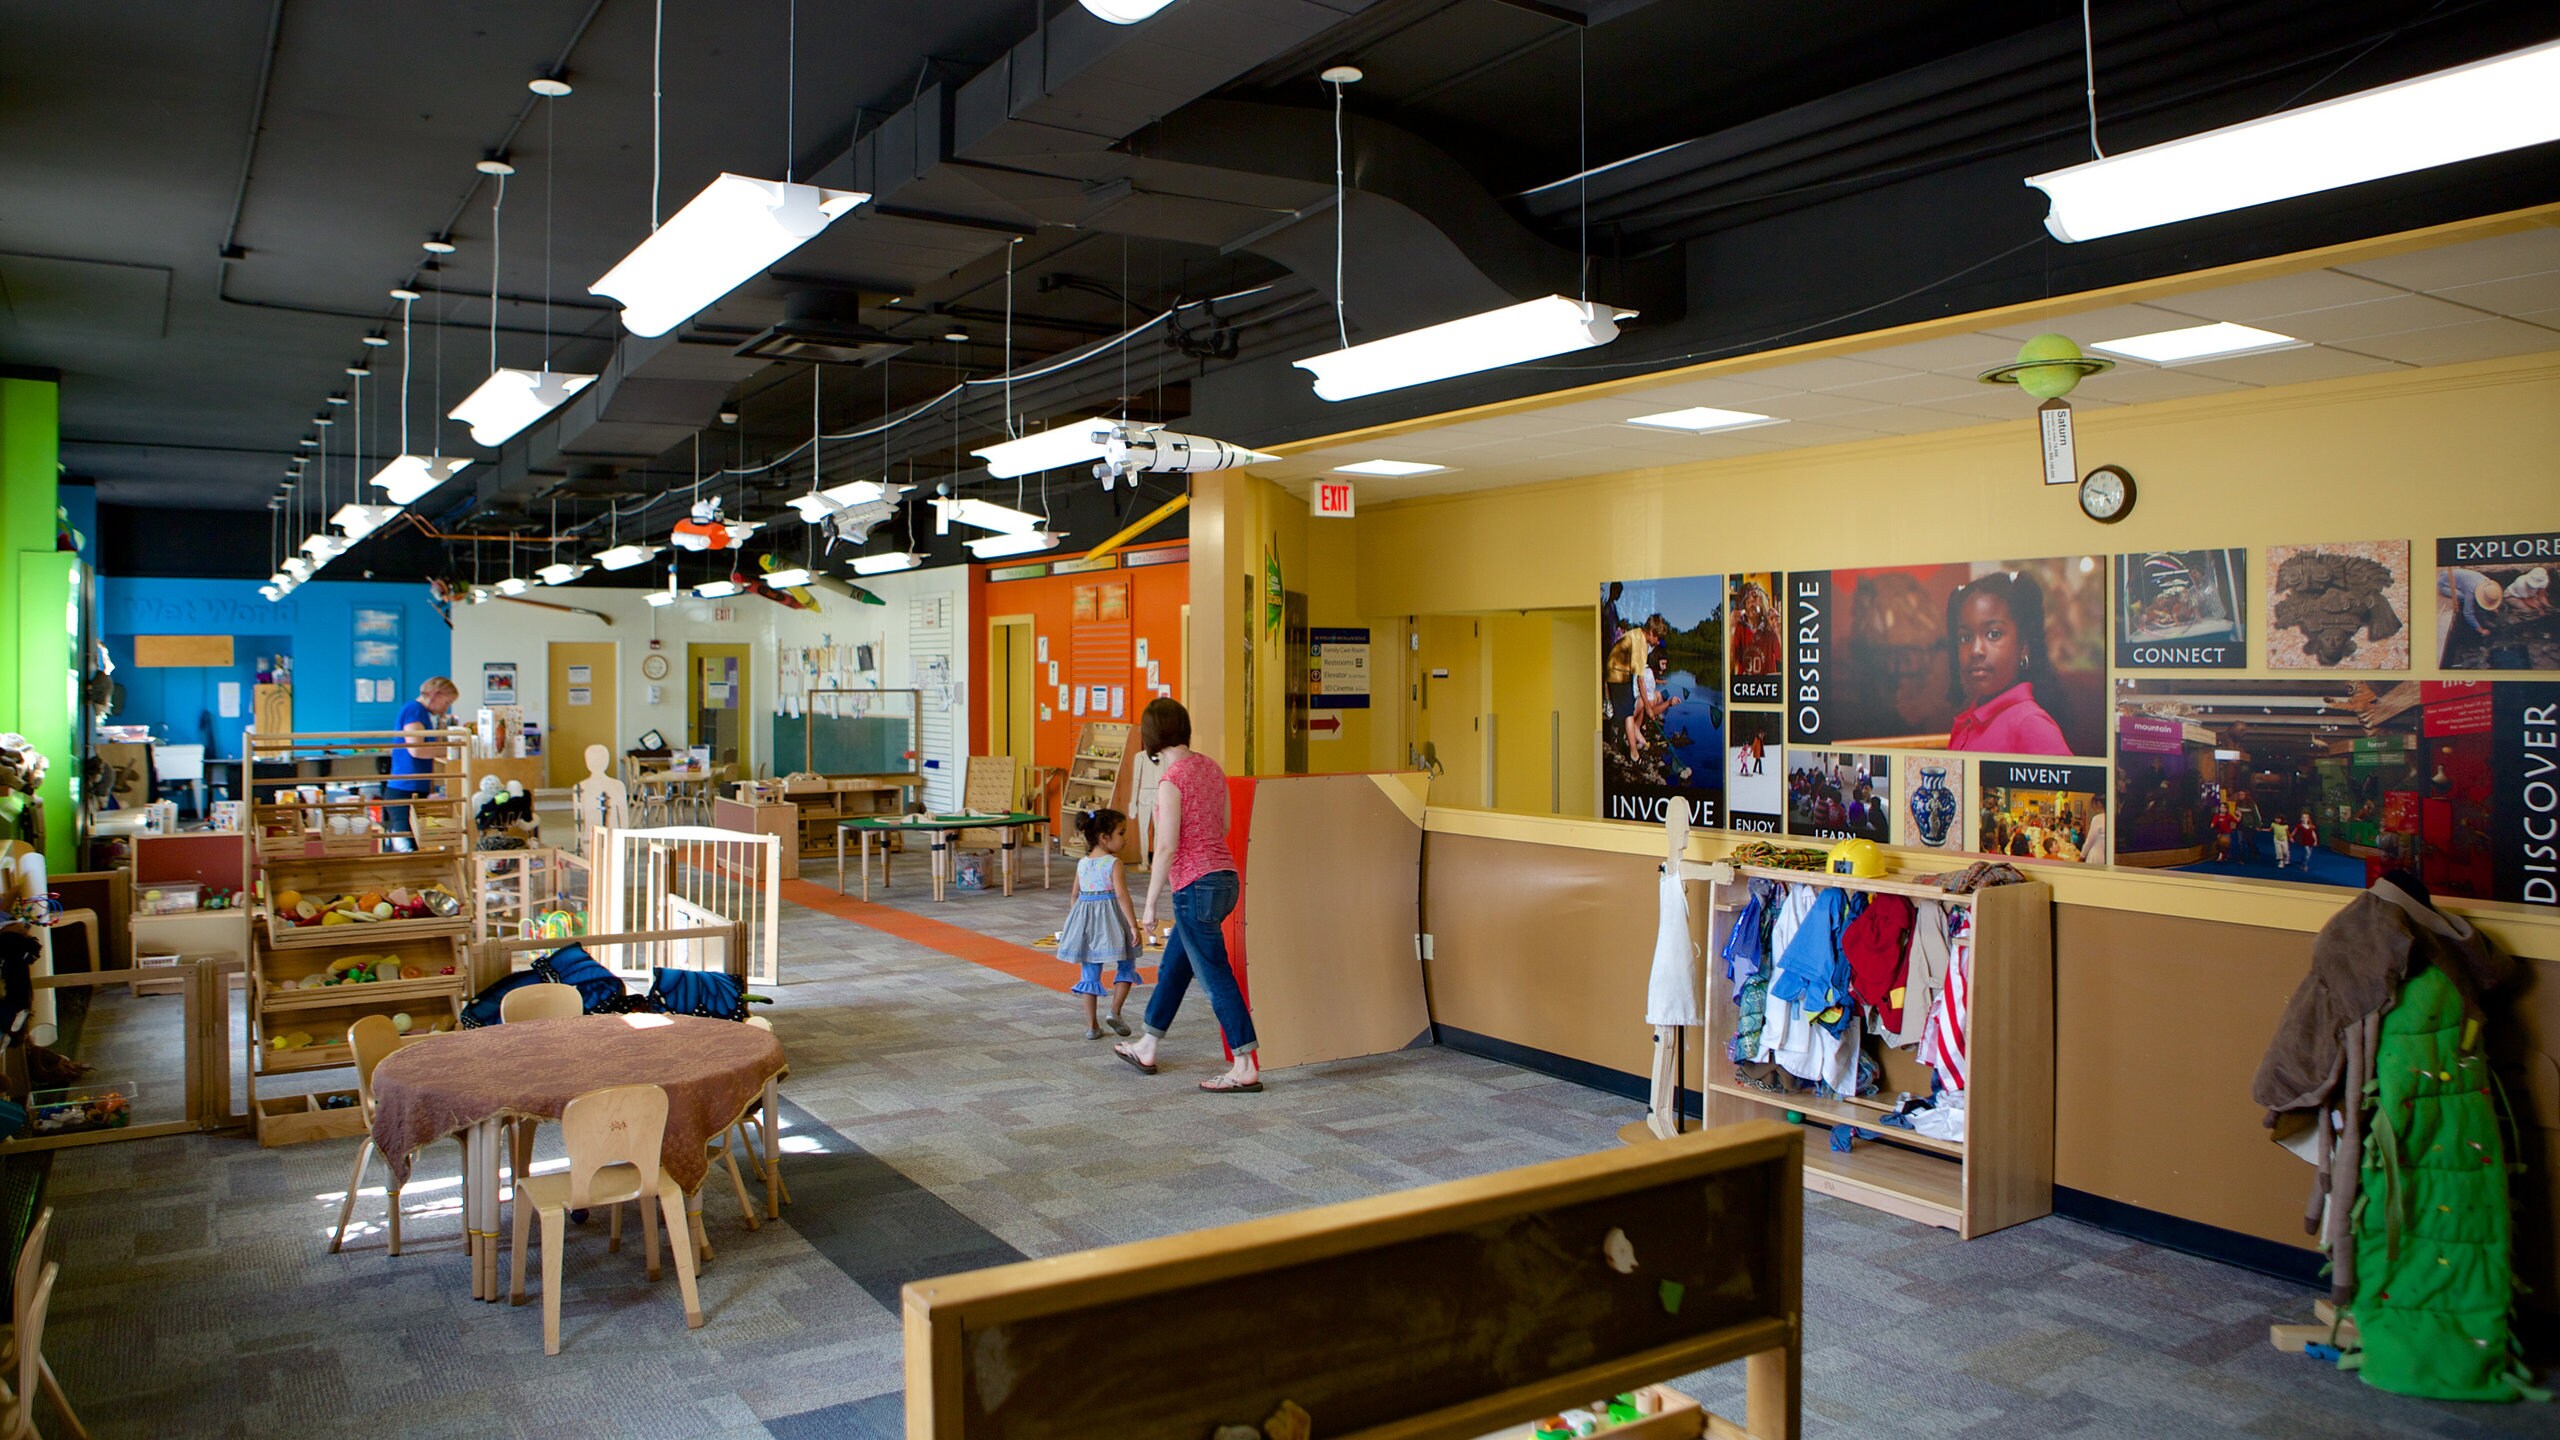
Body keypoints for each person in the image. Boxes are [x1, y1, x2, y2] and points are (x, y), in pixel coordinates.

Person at [1113, 699, 1259, 1093]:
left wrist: (1147, 905)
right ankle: (1147, 1045)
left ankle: (1244, 1064)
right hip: (1224, 878)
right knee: (1175, 968)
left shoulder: (1171, 780)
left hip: (1194, 885)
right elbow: (1225, 824)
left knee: (1215, 977)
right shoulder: (1211, 768)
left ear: (1152, 735)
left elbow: (1166, 847)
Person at [1942, 572, 2071, 756]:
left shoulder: (2032, 725)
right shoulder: (1968, 721)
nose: (1976, 650)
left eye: (1994, 634)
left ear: (2024, 647)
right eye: (1966, 637)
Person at [1056, 808, 1143, 1040]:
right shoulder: (1113, 863)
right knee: (1126, 963)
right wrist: (1133, 926)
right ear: (1104, 837)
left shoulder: (1082, 863)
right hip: (1113, 921)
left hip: (1086, 922)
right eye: (1121, 833)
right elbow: (1122, 896)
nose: (1124, 839)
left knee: (1089, 973)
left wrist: (1079, 919)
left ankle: (1092, 1027)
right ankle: (1114, 1011)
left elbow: (1074, 895)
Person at [384, 677, 458, 852]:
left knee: (414, 845)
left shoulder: (423, 714)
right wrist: (451, 750)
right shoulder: (414, 710)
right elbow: (417, 750)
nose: (445, 708)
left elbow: (428, 746)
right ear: (435, 694)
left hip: (415, 788)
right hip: (404, 790)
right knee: (406, 848)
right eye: (446, 702)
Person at [2435, 566, 2504, 661]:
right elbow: (2467, 614)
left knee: (2473, 601)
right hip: (2444, 584)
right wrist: (2480, 630)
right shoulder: (2471, 591)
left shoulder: (2488, 584)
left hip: (2457, 578)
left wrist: (2492, 608)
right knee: (2464, 598)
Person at [2080, 792, 2109, 866]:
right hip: (2106, 856)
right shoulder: (2112, 817)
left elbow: (2089, 841)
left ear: (2099, 803)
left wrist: (2082, 855)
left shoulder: (2097, 819)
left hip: (2096, 856)